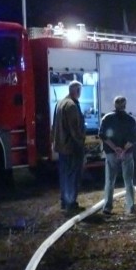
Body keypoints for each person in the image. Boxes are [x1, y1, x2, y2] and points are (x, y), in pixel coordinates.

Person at [99, 96, 136, 215]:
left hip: (111, 153)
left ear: (114, 105)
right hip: (126, 153)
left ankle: (107, 207)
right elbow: (134, 137)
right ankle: (131, 207)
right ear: (125, 105)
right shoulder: (130, 120)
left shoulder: (106, 118)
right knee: (128, 181)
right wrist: (123, 150)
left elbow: (102, 135)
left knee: (110, 180)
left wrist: (115, 148)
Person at [51, 80, 86, 214]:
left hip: (61, 147)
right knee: (73, 175)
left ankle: (65, 201)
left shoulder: (60, 103)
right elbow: (75, 129)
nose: (80, 94)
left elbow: (55, 127)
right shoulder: (71, 105)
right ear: (76, 91)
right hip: (71, 147)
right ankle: (71, 203)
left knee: (65, 175)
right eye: (79, 91)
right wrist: (81, 143)